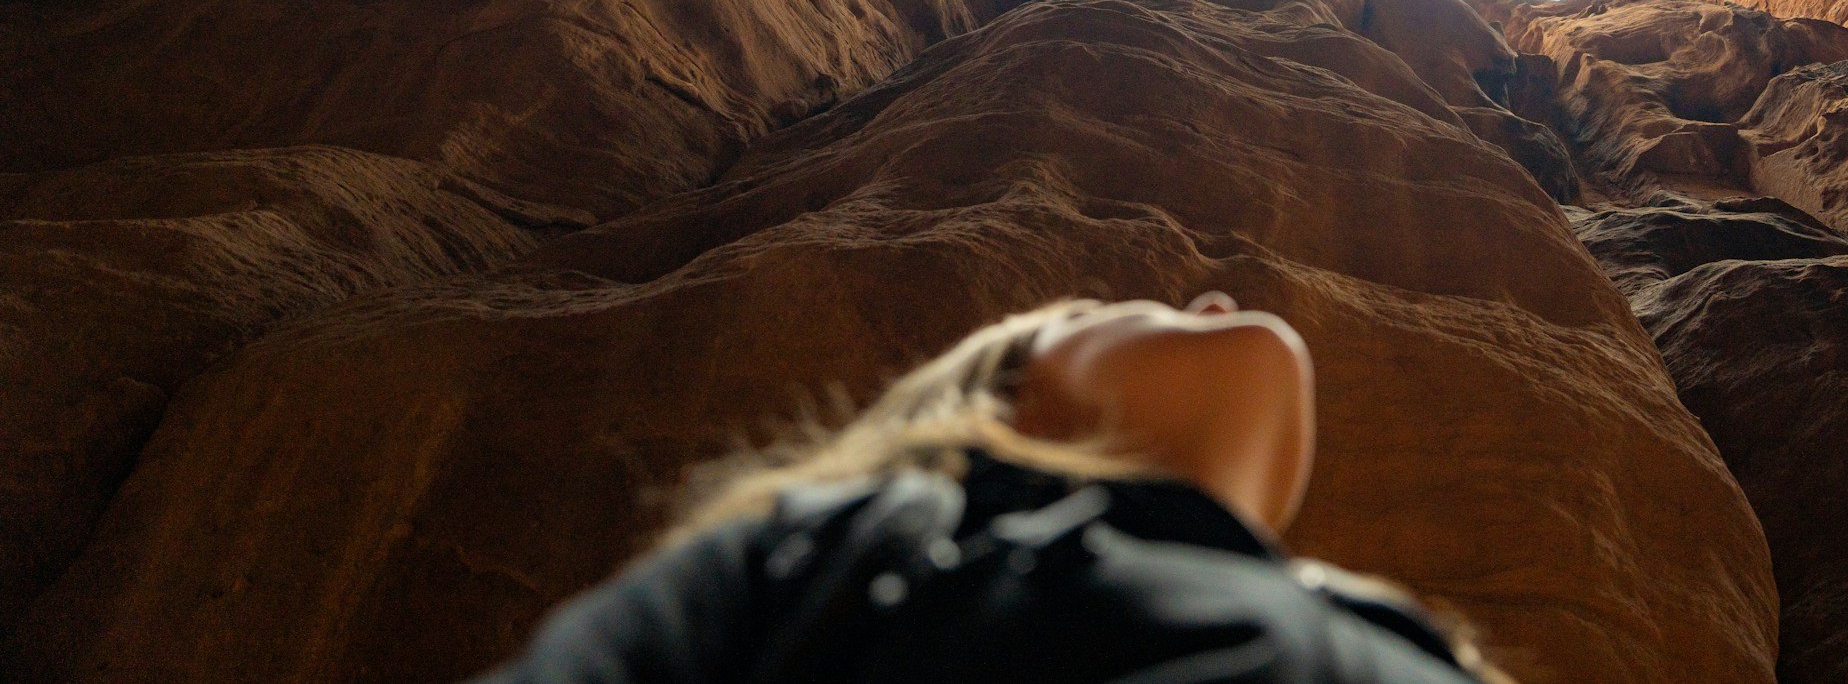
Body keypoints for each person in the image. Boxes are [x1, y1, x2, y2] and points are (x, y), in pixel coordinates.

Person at [470, 293, 1511, 683]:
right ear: (1014, 404)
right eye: (1112, 302)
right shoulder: (845, 549)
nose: (1209, 295)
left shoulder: (1399, 634)